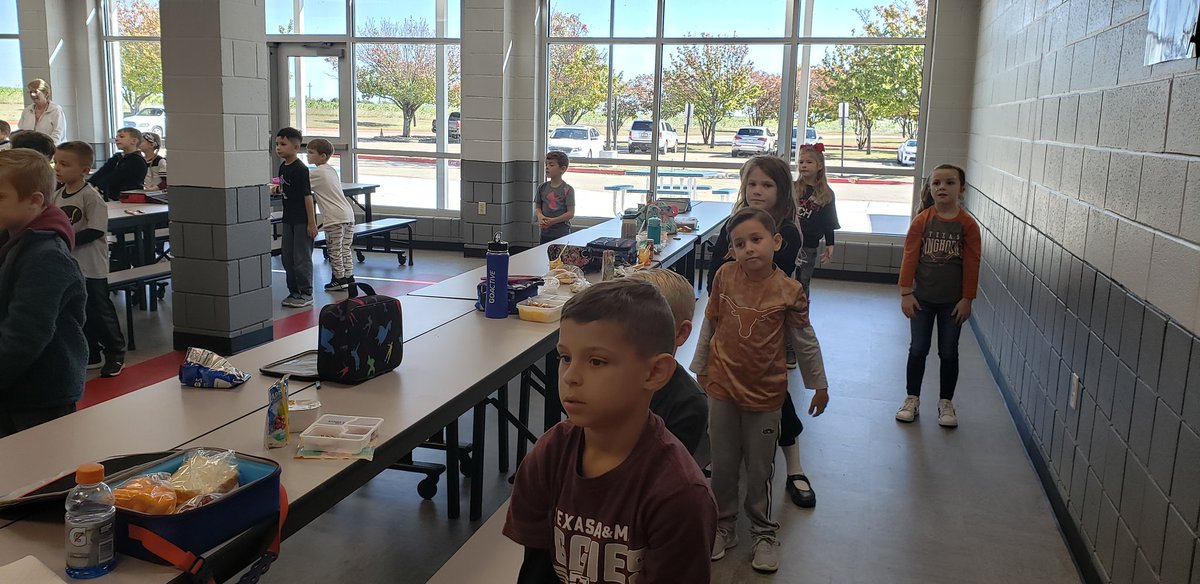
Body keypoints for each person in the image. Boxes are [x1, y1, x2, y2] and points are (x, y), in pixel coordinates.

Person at [504, 279, 718, 583]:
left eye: (596, 361)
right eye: (565, 357)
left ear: (655, 372)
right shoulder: (550, 454)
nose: (571, 377)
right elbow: (537, 569)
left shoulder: (679, 494)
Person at [690, 206, 830, 574]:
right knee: (721, 465)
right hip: (721, 387)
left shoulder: (789, 290)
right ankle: (723, 527)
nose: (748, 248)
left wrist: (818, 383)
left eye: (756, 239)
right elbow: (711, 325)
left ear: (776, 241)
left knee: (758, 469)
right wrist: (700, 367)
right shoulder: (723, 277)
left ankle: (763, 533)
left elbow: (804, 339)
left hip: (765, 395)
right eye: (739, 243)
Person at [704, 155, 816, 509]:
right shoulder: (733, 224)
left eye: (767, 185)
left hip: (766, 334)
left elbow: (761, 279)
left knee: (776, 400)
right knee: (726, 401)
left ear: (782, 190)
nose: (757, 191)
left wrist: (735, 262)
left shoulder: (789, 232)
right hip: (731, 329)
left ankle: (795, 468)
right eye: (752, 184)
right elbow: (716, 277)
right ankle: (726, 466)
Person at [0, 149, 87, 437]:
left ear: (35, 201)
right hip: (15, 386)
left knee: (41, 476)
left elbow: (25, 337)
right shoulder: (11, 235)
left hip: (39, 392)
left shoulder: (46, 256)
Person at [896, 164, 981, 428]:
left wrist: (967, 298)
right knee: (918, 349)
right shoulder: (922, 220)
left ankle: (946, 402)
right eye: (936, 183)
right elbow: (909, 256)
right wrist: (906, 292)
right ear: (930, 189)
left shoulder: (967, 225)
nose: (942, 187)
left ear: (962, 189)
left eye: (949, 183)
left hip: (952, 304)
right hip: (921, 299)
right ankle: (912, 398)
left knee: (949, 352)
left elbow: (972, 262)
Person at [53, 141, 126, 378]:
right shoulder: (56, 195)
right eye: (56, 162)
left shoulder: (90, 196)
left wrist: (65, 240)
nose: (58, 168)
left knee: (99, 309)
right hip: (70, 265)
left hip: (91, 265)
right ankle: (91, 352)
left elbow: (95, 230)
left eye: (65, 164)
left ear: (85, 170)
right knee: (79, 310)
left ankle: (116, 352)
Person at [626, 268, 709, 459]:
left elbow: (660, 473)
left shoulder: (688, 404)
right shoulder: (611, 379)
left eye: (641, 328)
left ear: (680, 333)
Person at [272, 127, 316, 308]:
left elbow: (307, 197)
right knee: (287, 257)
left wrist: (311, 223)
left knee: (301, 257)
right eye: (276, 144)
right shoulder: (283, 167)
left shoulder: (301, 169)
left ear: (296, 147)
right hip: (288, 219)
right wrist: (277, 188)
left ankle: (306, 292)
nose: (278, 148)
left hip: (301, 220)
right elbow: (285, 187)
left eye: (283, 144)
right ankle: (294, 291)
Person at [305, 139, 356, 291]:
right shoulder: (331, 170)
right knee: (345, 248)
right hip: (348, 214)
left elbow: (299, 185)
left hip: (334, 217)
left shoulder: (316, 173)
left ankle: (338, 279)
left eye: (311, 153)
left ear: (323, 156)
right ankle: (349, 276)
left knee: (334, 249)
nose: (308, 156)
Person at [793, 143, 840, 295]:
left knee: (803, 281)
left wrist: (830, 244)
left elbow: (829, 221)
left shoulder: (826, 194)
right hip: (790, 241)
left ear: (819, 166)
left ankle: (802, 314)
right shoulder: (793, 188)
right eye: (801, 162)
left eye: (808, 162)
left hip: (809, 245)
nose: (804, 165)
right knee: (787, 279)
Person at [88, 128, 148, 201]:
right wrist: (89, 184)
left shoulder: (137, 160)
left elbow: (117, 176)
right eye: (116, 137)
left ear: (134, 141)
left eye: (121, 136)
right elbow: (102, 171)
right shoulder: (117, 157)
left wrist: (97, 187)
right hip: (113, 197)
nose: (117, 139)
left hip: (129, 199)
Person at [536, 151, 575, 243]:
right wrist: (540, 217)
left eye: (551, 165)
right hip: (545, 233)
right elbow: (538, 207)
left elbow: (570, 213)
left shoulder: (568, 189)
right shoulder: (542, 187)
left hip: (562, 233)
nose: (547, 167)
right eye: (546, 164)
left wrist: (553, 221)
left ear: (562, 169)